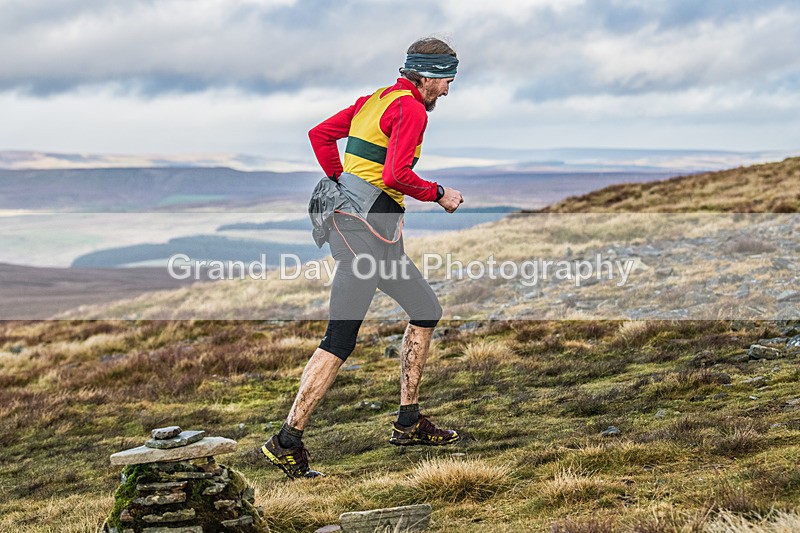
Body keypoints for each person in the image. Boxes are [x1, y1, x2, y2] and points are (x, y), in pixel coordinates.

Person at [260, 37, 464, 480]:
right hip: (361, 237)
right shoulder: (409, 108)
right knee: (340, 338)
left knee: (426, 310)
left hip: (374, 233)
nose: (447, 90)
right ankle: (286, 440)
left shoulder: (373, 100)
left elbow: (320, 135)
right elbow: (396, 175)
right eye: (446, 80)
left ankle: (408, 423)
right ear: (426, 74)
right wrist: (440, 194)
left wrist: (341, 181)